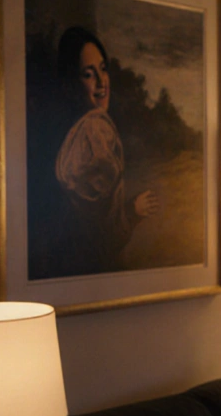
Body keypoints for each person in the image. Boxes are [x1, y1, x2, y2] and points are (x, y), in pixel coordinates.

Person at [49, 26, 159, 276]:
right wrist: (133, 212)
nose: (102, 82)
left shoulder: (78, 131)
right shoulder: (94, 130)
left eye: (103, 69)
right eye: (89, 74)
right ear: (71, 83)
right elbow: (102, 238)